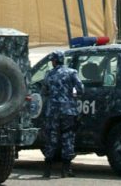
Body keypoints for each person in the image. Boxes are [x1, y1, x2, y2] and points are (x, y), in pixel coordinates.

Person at [41, 50, 84, 178]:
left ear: (54, 61)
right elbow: (81, 89)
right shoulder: (72, 72)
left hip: (52, 111)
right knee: (68, 138)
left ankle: (47, 170)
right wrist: (72, 96)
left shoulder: (49, 74)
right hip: (68, 111)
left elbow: (44, 91)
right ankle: (66, 170)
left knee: (51, 139)